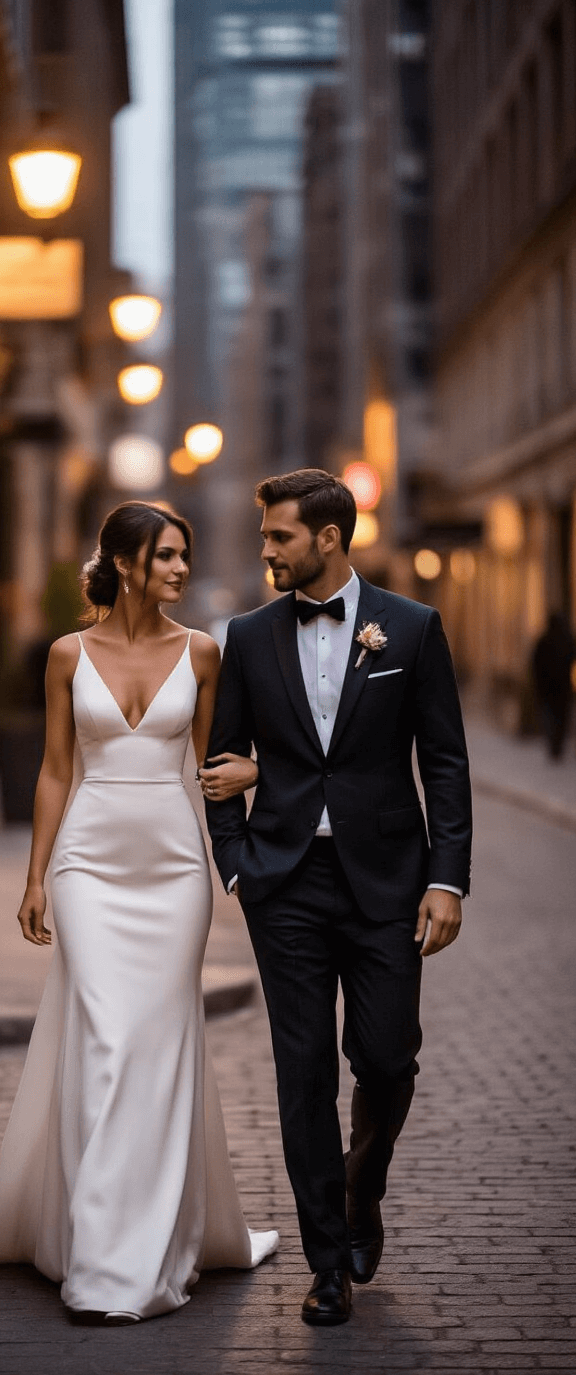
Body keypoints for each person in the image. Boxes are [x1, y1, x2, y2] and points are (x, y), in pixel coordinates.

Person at [0, 501, 278, 1322]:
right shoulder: (68, 655)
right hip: (88, 865)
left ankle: (155, 1239)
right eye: (168, 556)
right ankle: (100, 1255)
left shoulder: (204, 653)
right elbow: (56, 773)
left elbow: (216, 768)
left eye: (184, 555)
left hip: (174, 871)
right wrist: (36, 877)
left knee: (157, 1046)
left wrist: (249, 803)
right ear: (127, 563)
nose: (181, 569)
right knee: (105, 1041)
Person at [202, 469, 472, 1327]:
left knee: (388, 1057)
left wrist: (446, 877)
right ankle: (327, 1264)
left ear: (327, 537)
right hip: (284, 886)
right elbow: (220, 766)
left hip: (389, 880)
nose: (266, 550)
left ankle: (361, 1194)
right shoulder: (247, 636)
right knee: (303, 1074)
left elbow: (445, 762)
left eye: (279, 536)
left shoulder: (414, 628)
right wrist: (239, 866)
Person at [531, 612, 575, 760]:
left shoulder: (544, 641)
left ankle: (555, 746)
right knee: (559, 717)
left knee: (552, 717)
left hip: (550, 688)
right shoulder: (565, 640)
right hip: (560, 688)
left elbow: (535, 664)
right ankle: (556, 746)